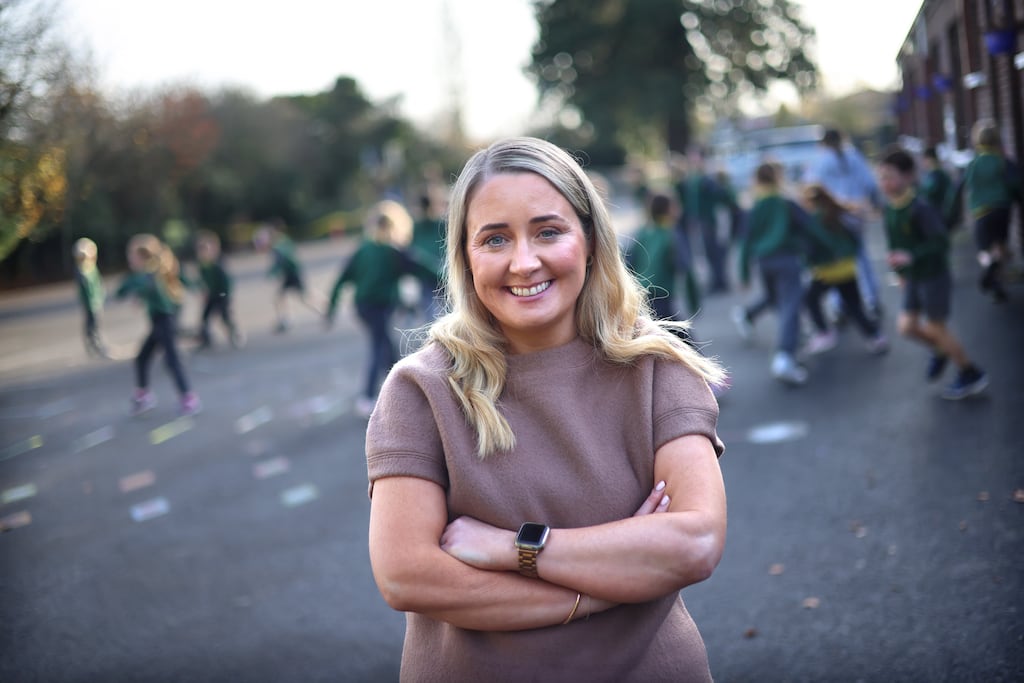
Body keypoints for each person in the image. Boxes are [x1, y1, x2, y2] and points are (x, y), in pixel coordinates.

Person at [365, 137, 727, 682]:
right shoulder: (419, 389)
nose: (524, 261)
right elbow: (408, 576)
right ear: (465, 257)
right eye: (494, 239)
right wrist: (599, 593)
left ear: (589, 240)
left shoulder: (657, 367)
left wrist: (516, 549)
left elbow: (693, 541)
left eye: (548, 231)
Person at [877, 147, 987, 400]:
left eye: (890, 176)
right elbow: (895, 244)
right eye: (881, 177)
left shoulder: (920, 207)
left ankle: (970, 372)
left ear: (907, 176)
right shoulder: (890, 209)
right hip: (913, 277)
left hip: (933, 275)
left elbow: (941, 242)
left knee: (936, 327)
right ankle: (940, 351)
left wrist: (913, 255)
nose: (885, 182)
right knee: (906, 327)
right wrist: (900, 268)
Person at [326, 199, 435, 418]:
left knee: (386, 347)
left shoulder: (362, 248)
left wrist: (331, 308)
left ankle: (402, 391)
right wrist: (456, 277)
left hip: (363, 307)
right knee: (379, 347)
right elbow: (424, 268)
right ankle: (367, 396)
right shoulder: (392, 250)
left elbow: (341, 278)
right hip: (379, 306)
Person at [736, 162, 814, 385]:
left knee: (775, 298)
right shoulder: (785, 202)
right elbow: (810, 227)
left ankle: (748, 315)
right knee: (790, 304)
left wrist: (744, 272)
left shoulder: (754, 206)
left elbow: (746, 240)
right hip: (787, 259)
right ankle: (785, 355)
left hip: (764, 262)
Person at [116, 234, 201, 416]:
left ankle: (188, 397)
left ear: (141, 257)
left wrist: (136, 293)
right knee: (143, 358)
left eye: (132, 256)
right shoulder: (153, 271)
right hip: (160, 321)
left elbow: (129, 288)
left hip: (164, 321)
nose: (130, 260)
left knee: (171, 360)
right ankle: (144, 394)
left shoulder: (149, 274)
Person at [803, 128, 884, 317]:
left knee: (835, 259)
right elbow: (870, 183)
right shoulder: (853, 156)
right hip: (856, 213)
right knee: (861, 256)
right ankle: (871, 298)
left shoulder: (820, 160)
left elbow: (811, 188)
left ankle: (840, 304)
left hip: (834, 218)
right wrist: (873, 202)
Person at [800, 184, 889, 355]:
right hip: (847, 267)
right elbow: (855, 240)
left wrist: (811, 263)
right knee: (855, 306)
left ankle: (824, 332)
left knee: (810, 299)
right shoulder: (839, 213)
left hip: (827, 271)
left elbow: (813, 245)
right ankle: (876, 336)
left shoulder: (815, 220)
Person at [958, 119, 1022, 303]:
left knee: (984, 250)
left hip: (982, 212)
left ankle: (990, 267)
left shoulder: (974, 163)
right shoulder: (1003, 161)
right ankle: (998, 285)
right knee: (1000, 246)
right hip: (1002, 209)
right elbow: (1015, 184)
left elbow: (963, 185)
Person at [254, 219, 323, 332]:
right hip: (291, 273)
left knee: (304, 297)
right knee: (280, 298)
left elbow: (280, 262)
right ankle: (285, 320)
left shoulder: (278, 246)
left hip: (292, 274)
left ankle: (324, 310)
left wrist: (272, 273)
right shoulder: (283, 240)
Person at [194, 230, 243, 349]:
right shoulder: (202, 265)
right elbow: (203, 282)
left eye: (205, 250)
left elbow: (226, 282)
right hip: (212, 294)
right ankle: (206, 339)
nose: (203, 253)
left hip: (222, 294)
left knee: (225, 317)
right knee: (204, 317)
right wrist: (203, 292)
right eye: (201, 250)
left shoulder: (218, 265)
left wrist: (225, 296)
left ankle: (235, 335)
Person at [408, 192, 447, 322]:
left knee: (433, 306)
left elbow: (413, 248)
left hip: (437, 272)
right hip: (434, 271)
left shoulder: (436, 224)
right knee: (439, 307)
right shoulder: (435, 224)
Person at [72, 237, 112, 359]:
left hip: (96, 301)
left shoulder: (91, 268)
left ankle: (96, 345)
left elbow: (97, 284)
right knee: (92, 325)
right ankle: (95, 345)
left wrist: (100, 294)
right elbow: (86, 289)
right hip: (90, 303)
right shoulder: (82, 271)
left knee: (96, 324)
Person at [919, 146, 957, 229]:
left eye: (924, 159)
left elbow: (926, 194)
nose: (923, 163)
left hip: (938, 216)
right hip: (943, 214)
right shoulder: (941, 173)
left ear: (930, 159)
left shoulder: (935, 176)